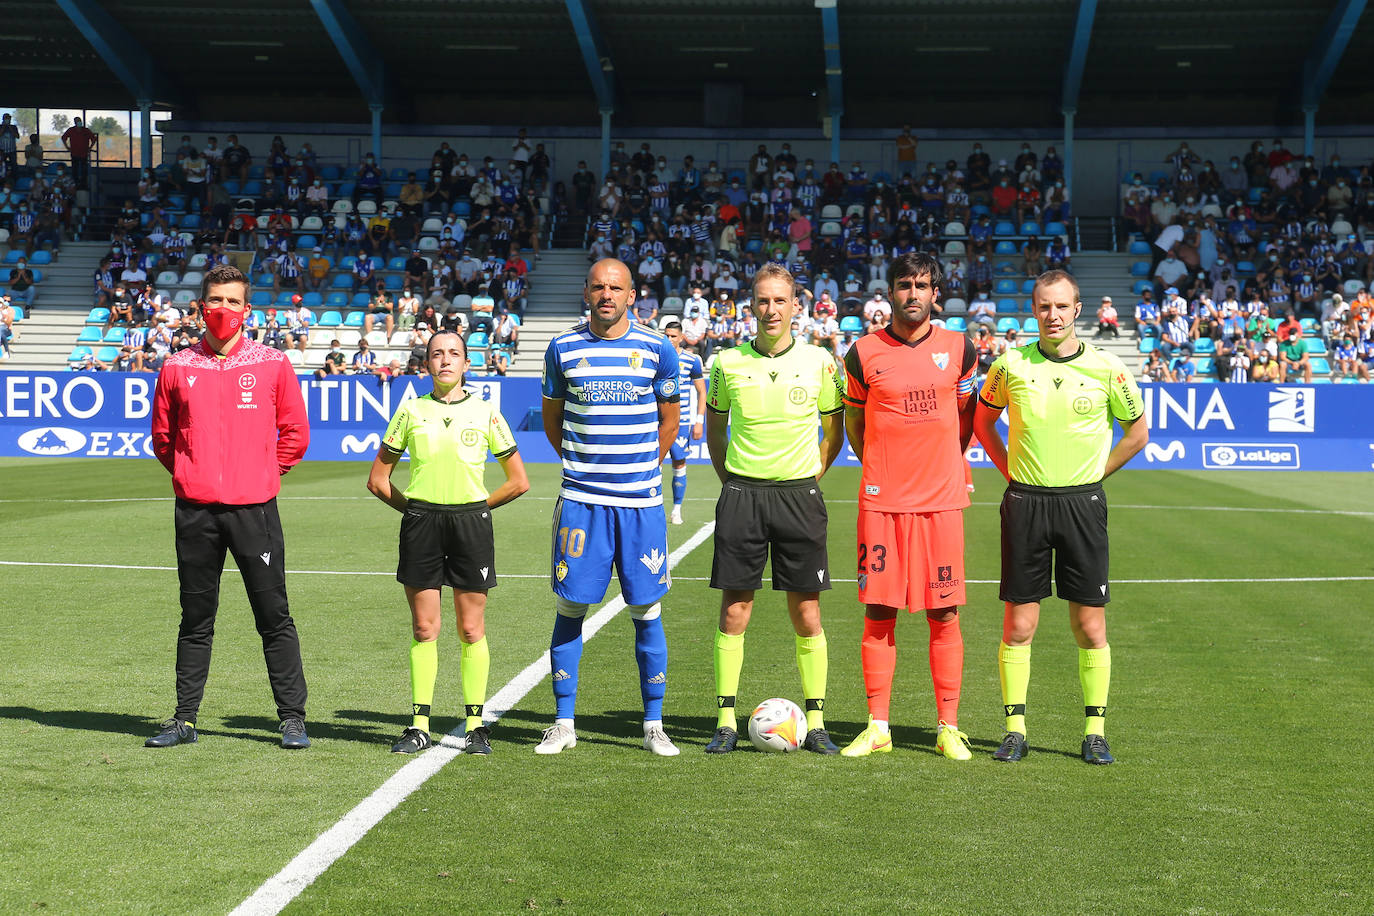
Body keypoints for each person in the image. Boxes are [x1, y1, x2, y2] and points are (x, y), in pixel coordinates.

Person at [973, 269, 1148, 766]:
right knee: (1020, 623)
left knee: (1089, 625)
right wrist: (1009, 469)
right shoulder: (1009, 365)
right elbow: (983, 422)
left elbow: (1137, 433)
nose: (1053, 315)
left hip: (1081, 504)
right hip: (1025, 502)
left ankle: (1094, 731)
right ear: (1035, 310)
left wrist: (1098, 474)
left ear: (1077, 311)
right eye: (1044, 306)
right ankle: (1014, 729)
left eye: (1062, 306)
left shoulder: (1108, 369)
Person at [146, 264, 311, 750]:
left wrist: (260, 475)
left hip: (253, 510)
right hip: (195, 511)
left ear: (248, 309)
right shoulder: (177, 366)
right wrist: (190, 474)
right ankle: (184, 719)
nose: (223, 310)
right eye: (215, 301)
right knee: (196, 616)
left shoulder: (272, 363)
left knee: (273, 614)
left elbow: (295, 434)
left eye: (233, 301)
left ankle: (292, 718)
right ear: (201, 307)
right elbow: (162, 437)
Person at [537, 258, 681, 756]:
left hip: (640, 504)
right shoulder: (562, 348)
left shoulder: (658, 348)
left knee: (646, 609)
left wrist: (638, 468)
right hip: (582, 505)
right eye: (598, 287)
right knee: (571, 606)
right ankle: (562, 721)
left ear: (632, 294)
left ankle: (653, 724)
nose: (606, 295)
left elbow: (669, 423)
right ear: (586, 292)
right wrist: (585, 467)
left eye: (615, 288)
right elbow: (553, 420)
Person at [701, 263, 846, 755]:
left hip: (799, 497)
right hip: (742, 495)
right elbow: (715, 432)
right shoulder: (726, 363)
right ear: (751, 306)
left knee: (806, 611)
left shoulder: (821, 361)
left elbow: (834, 433)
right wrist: (733, 481)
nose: (770, 309)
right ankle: (724, 719)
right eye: (762, 301)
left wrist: (807, 480)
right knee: (736, 608)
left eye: (779, 301)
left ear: (795, 308)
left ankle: (819, 722)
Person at [839, 252, 979, 760]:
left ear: (935, 293)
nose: (913, 293)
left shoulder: (961, 349)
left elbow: (964, 418)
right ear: (890, 292)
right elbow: (855, 424)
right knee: (879, 612)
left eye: (922, 285)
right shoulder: (862, 353)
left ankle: (948, 727)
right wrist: (881, 465)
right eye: (904, 285)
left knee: (944, 613)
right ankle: (878, 726)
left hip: (940, 502)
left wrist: (943, 464)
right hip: (882, 501)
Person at [367, 331, 529, 755]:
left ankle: (476, 726)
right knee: (425, 628)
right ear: (426, 363)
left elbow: (518, 481)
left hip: (470, 525)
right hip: (422, 523)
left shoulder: (486, 412)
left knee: (471, 628)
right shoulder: (410, 411)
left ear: (466, 363)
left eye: (454, 353)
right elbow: (378, 480)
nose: (445, 361)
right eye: (437, 353)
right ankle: (419, 724)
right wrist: (415, 512)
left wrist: (477, 508)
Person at [658, 319, 706, 525]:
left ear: (681, 337)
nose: (669, 339)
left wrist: (699, 421)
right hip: (656, 421)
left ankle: (676, 509)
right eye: (666, 335)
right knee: (654, 463)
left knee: (679, 461)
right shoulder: (655, 357)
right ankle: (655, 506)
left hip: (681, 422)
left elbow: (702, 391)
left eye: (673, 336)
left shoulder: (691, 360)